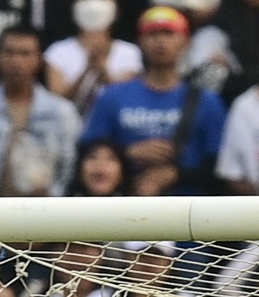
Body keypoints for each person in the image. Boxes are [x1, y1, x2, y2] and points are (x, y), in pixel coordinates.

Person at [79, 6, 225, 197]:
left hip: (189, 209)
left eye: (169, 33)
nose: (160, 41)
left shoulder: (207, 101)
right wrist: (127, 153)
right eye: (152, 34)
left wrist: (177, 175)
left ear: (186, 42)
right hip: (125, 202)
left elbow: (220, 168)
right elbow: (87, 152)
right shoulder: (112, 97)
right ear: (139, 42)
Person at [0, 25, 81, 199]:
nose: (16, 61)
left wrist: (52, 199)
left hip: (43, 214)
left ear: (39, 60)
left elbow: (68, 169)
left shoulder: (62, 112)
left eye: (25, 54)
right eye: (9, 53)